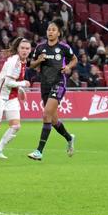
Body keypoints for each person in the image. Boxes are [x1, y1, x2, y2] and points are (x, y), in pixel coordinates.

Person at [28, 20, 77, 160]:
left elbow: (74, 59)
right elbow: (32, 65)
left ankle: (39, 151)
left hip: (59, 82)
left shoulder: (63, 47)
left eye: (53, 30)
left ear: (58, 33)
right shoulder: (40, 47)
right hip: (45, 84)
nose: (50, 32)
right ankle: (69, 138)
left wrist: (68, 67)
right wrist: (39, 61)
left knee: (46, 115)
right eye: (49, 29)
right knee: (54, 120)